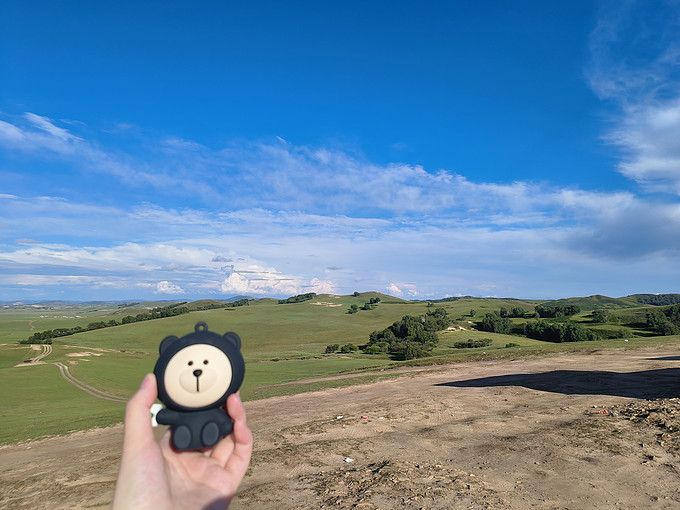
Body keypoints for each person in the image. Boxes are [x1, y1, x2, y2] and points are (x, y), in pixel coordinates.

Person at [113, 373, 253, 509]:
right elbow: (167, 416)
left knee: (209, 428)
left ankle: (199, 435)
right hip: (187, 433)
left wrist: (227, 425)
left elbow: (226, 422)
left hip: (206, 430)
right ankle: (188, 437)